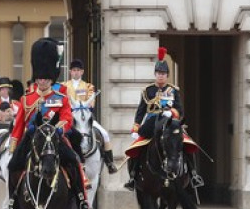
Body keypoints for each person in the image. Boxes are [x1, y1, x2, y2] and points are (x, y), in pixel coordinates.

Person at [1, 38, 92, 209]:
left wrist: (59, 129)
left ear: (51, 78)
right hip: (33, 138)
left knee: (73, 161)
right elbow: (19, 125)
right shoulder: (27, 99)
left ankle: (82, 200)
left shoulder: (60, 96)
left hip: (55, 137)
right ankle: (12, 205)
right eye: (40, 78)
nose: (42, 82)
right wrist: (13, 146)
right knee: (13, 167)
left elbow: (67, 117)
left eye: (45, 79)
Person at [124, 47, 202, 190]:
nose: (161, 76)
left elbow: (180, 110)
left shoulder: (173, 91)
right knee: (136, 147)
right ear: (155, 74)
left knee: (187, 143)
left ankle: (193, 174)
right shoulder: (148, 91)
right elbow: (141, 110)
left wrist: (171, 112)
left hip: (170, 122)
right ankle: (133, 176)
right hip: (152, 123)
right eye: (159, 73)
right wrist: (136, 127)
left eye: (164, 74)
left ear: (167, 76)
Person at [63, 58, 118, 174]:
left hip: (84, 118)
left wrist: (83, 106)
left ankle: (110, 163)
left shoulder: (88, 86)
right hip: (69, 118)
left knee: (104, 134)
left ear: (82, 72)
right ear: (70, 72)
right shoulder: (64, 86)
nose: (76, 72)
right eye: (73, 70)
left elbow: (91, 103)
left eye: (78, 70)